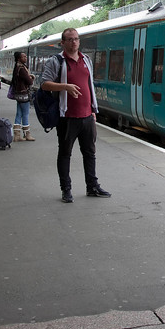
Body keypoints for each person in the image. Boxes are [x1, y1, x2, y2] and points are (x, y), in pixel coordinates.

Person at [40, 28, 110, 203]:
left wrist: (93, 111)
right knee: (65, 154)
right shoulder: (56, 61)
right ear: (63, 42)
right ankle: (66, 189)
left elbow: (89, 84)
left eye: (76, 39)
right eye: (70, 40)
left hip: (87, 116)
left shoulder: (86, 60)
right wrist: (65, 86)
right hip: (67, 117)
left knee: (90, 153)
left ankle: (92, 186)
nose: (74, 42)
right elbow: (44, 84)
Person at [11, 51, 35, 142]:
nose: (26, 58)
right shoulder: (22, 68)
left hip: (18, 94)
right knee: (25, 114)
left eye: (25, 56)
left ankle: (17, 135)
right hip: (24, 94)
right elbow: (29, 82)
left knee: (19, 113)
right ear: (19, 58)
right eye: (23, 57)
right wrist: (31, 77)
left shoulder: (16, 67)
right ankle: (27, 134)